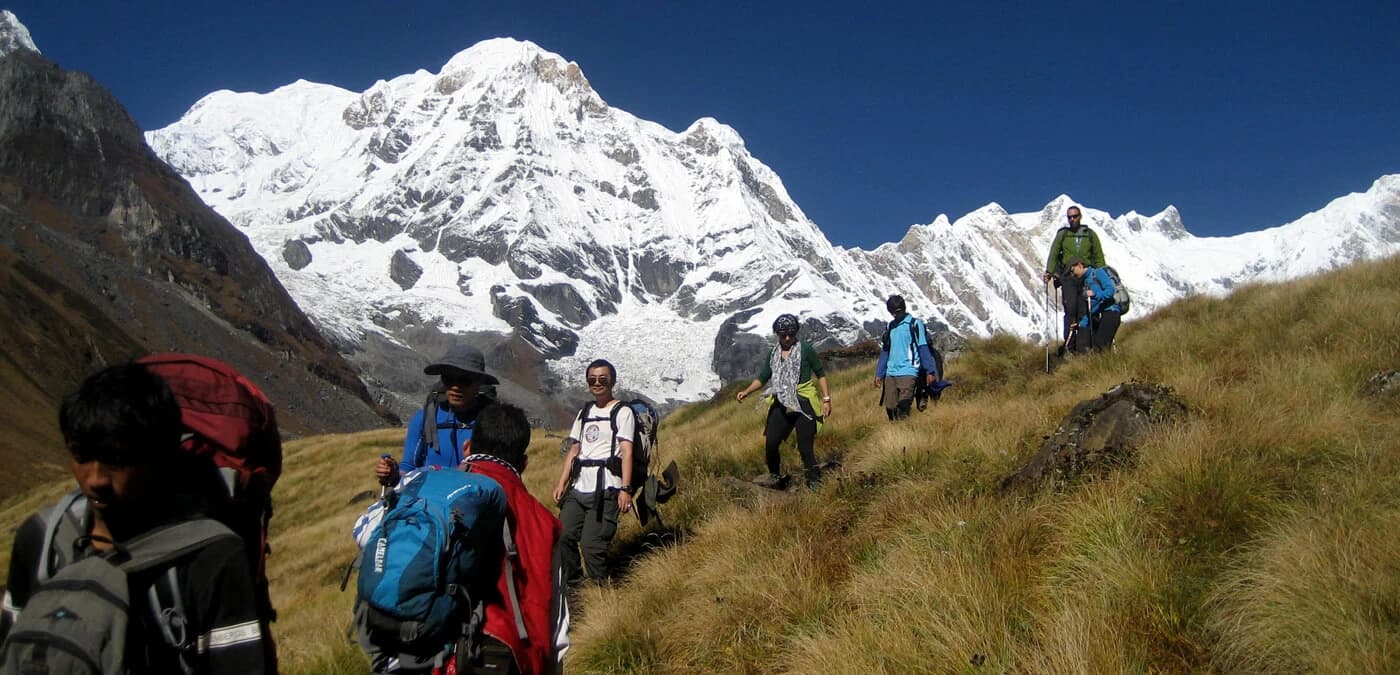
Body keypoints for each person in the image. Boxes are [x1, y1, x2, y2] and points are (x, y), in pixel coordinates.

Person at [0, 363, 269, 673]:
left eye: (117, 459)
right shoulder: (38, 538)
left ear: (161, 455)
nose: (95, 478)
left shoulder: (211, 559)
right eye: (81, 456)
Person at [370, 403, 569, 675]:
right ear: (523, 464)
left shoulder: (424, 483)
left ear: (467, 448)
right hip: (500, 658)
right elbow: (557, 632)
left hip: (417, 652)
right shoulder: (546, 525)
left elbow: (367, 534)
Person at [552, 360, 634, 588]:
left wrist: (625, 489)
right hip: (578, 488)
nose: (597, 383)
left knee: (592, 544)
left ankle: (602, 593)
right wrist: (562, 483)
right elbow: (574, 449)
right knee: (562, 535)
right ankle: (575, 587)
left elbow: (627, 451)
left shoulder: (623, 411)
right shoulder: (585, 412)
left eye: (603, 379)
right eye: (592, 379)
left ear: (612, 381)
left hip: (606, 488)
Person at [735, 314, 832, 488]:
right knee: (771, 443)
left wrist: (826, 399)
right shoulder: (773, 353)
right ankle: (775, 477)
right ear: (777, 335)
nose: (787, 338)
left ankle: (814, 483)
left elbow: (820, 374)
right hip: (780, 401)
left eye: (791, 334)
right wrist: (747, 391)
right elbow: (763, 377)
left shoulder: (806, 350)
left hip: (803, 401)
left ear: (796, 333)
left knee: (805, 446)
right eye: (783, 335)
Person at [399, 343, 499, 474]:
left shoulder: (493, 423)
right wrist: (391, 476)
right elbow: (408, 468)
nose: (455, 387)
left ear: (479, 383)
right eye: (449, 379)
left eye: (465, 380)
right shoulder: (425, 418)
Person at [1043, 205, 1106, 341]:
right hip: (1069, 277)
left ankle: (1089, 340)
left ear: (1080, 216)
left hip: (1088, 276)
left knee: (1088, 307)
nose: (1072, 219)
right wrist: (1049, 271)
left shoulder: (1089, 234)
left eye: (1074, 216)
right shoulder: (1063, 235)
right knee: (1070, 309)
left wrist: (1102, 275)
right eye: (1069, 217)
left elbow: (1098, 255)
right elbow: (1054, 253)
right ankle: (1070, 343)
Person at [874, 295, 939, 421]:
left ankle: (904, 435)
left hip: (909, 371)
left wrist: (930, 371)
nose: (896, 314)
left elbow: (922, 347)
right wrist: (879, 373)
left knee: (904, 406)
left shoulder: (915, 324)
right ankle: (895, 435)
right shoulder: (890, 327)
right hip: (891, 373)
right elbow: (886, 350)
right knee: (890, 408)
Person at [1068, 257, 1122, 353]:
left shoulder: (1098, 273)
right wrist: (1081, 324)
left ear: (1080, 265)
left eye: (1073, 270)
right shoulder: (1086, 282)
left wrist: (1095, 294)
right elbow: (1092, 308)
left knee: (1101, 346)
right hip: (1104, 314)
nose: (1072, 274)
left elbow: (1110, 290)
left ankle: (1106, 366)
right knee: (1099, 347)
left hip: (1111, 311)